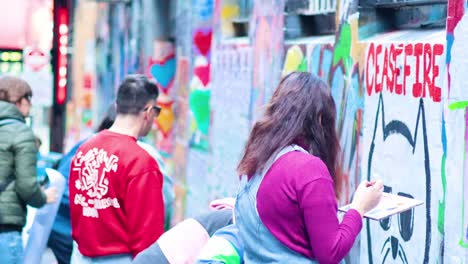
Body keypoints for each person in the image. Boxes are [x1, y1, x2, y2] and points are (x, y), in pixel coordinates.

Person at [234, 72, 383, 263]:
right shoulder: (308, 170)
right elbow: (331, 252)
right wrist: (359, 207)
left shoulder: (257, 159)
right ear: (321, 120)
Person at [49, 105, 175, 264]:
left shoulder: (85, 147)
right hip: (111, 250)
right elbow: (163, 205)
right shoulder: (142, 156)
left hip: (77, 241)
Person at [69, 74, 165, 263]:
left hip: (82, 257)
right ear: (149, 111)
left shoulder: (84, 150)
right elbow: (147, 236)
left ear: (116, 107)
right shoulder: (141, 162)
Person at [0, 76, 57, 263]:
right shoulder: (21, 132)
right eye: (28, 99)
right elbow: (26, 186)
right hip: (5, 229)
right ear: (17, 100)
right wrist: (43, 197)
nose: (30, 105)